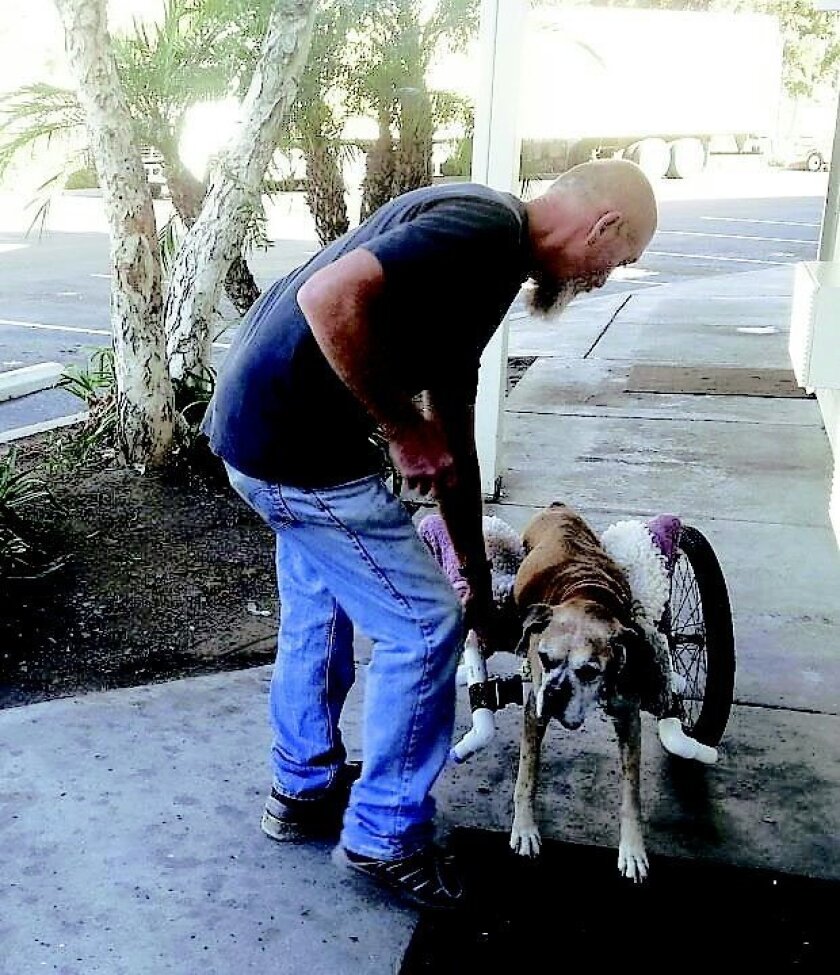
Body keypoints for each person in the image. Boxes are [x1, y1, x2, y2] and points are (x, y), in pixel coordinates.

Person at [201, 158, 657, 910]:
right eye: (621, 258)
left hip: (262, 432)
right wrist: (400, 429)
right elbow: (327, 295)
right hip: (296, 451)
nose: (606, 279)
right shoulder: (482, 230)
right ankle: (383, 837)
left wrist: (479, 581)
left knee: (323, 606)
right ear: (603, 226)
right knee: (422, 625)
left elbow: (455, 435)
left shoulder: (491, 256)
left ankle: (303, 789)